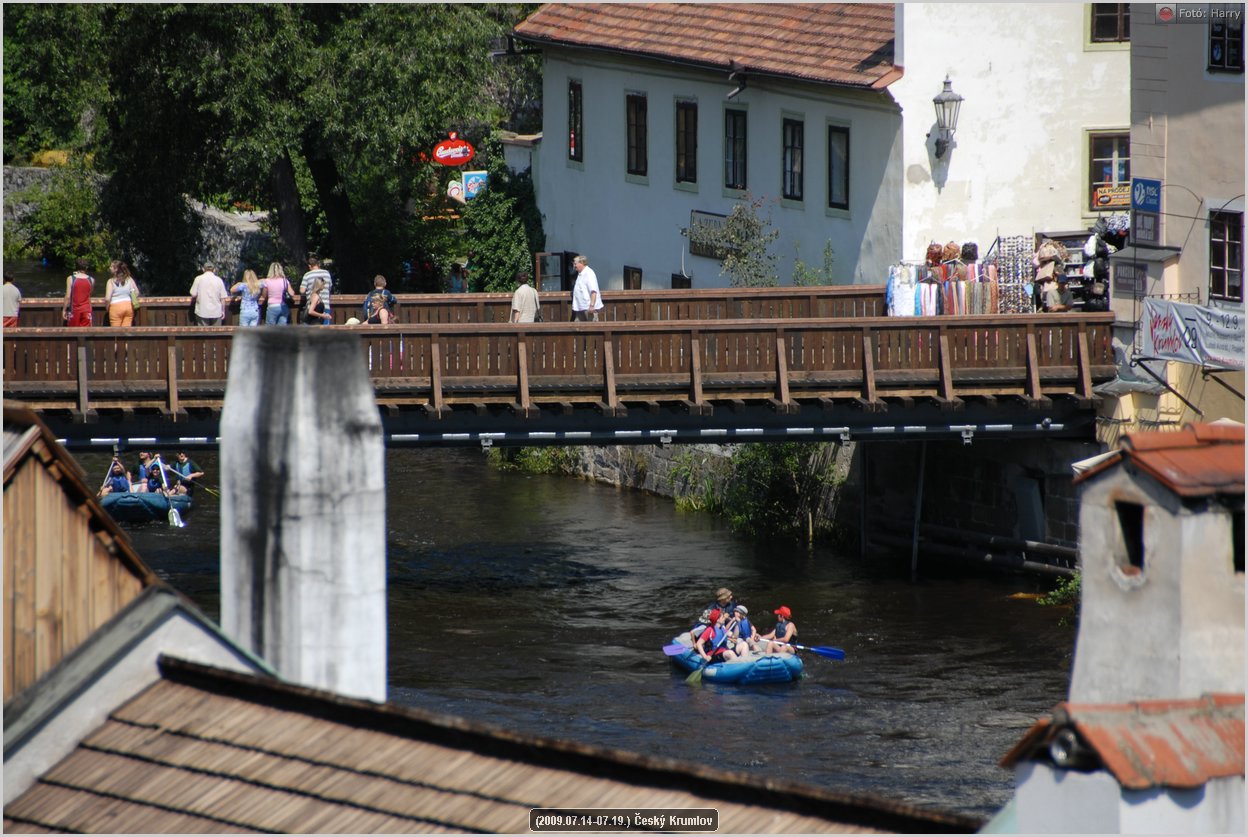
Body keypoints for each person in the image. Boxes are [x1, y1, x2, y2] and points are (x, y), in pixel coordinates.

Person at [104, 260, 139, 327]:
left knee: (116, 332)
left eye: (112, 266)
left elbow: (108, 298)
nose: (110, 268)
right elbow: (137, 292)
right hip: (128, 306)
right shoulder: (129, 279)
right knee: (125, 332)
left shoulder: (110, 281)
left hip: (115, 307)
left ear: (116, 269)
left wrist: (107, 308)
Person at [63, 259, 95, 327]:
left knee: (73, 333)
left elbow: (68, 296)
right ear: (86, 267)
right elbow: (89, 295)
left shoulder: (71, 278)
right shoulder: (91, 280)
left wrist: (64, 310)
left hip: (74, 310)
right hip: (87, 310)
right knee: (86, 333)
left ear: (76, 267)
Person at [570, 255, 603, 321]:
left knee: (592, 329)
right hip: (580, 308)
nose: (574, 266)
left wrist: (592, 306)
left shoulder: (589, 273)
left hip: (588, 309)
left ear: (581, 263)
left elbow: (593, 291)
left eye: (575, 263)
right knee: (577, 329)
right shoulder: (580, 274)